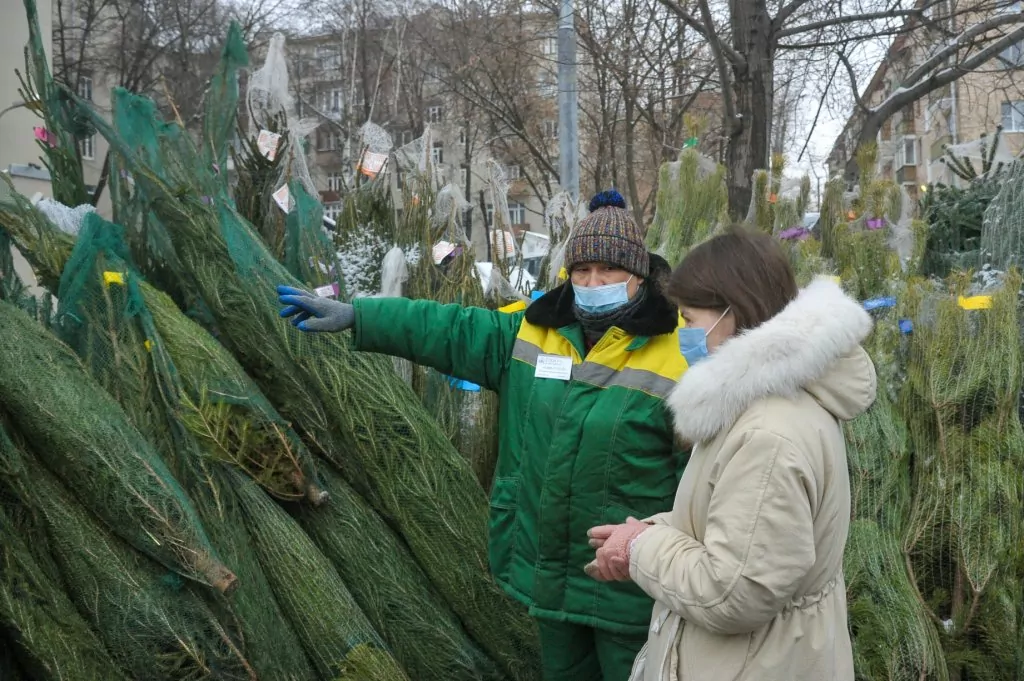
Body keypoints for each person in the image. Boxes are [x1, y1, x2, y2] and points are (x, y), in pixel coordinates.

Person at [276, 189, 690, 681]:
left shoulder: (679, 355)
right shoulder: (533, 331)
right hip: (548, 573)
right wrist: (362, 316)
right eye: (582, 271)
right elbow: (449, 328)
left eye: (609, 271)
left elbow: (697, 481)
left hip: (627, 588)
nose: (593, 282)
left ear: (637, 276)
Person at [587, 226, 876, 681]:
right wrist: (653, 530)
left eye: (688, 318)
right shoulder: (764, 406)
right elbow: (742, 531)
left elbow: (736, 592)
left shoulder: (768, 435)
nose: (682, 332)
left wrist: (642, 548)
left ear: (732, 313)